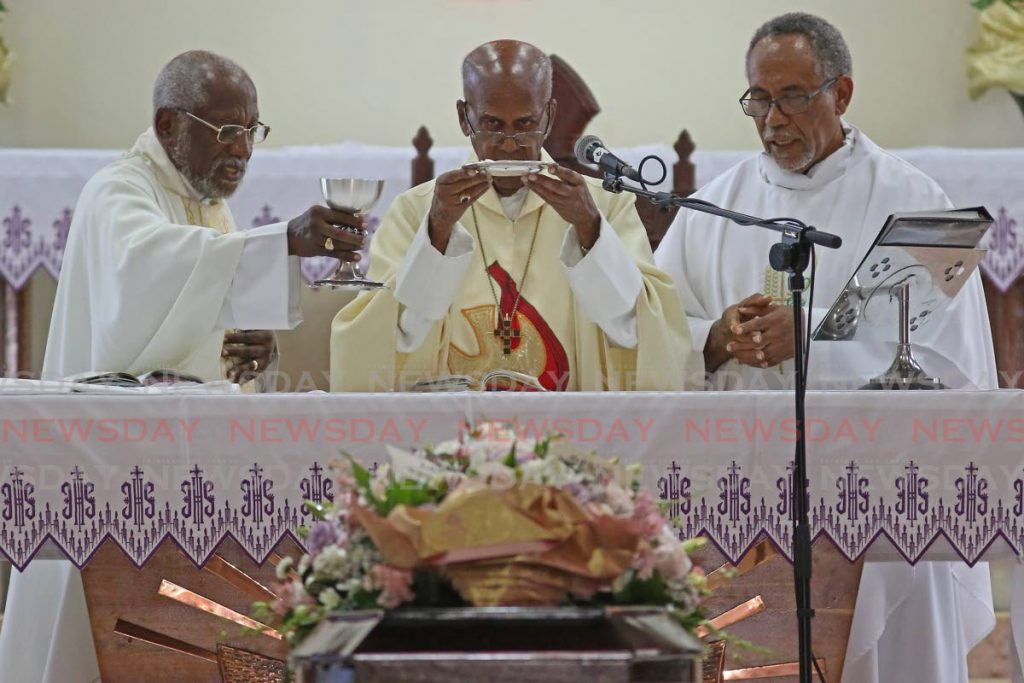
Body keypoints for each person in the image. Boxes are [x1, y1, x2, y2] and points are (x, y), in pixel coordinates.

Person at [1, 50, 367, 683]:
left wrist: (257, 353)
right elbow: (146, 279)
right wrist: (282, 239)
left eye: (251, 131)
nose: (243, 150)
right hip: (110, 460)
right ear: (169, 125)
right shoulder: (119, 190)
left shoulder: (205, 204)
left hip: (181, 455)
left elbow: (206, 317)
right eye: (226, 130)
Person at [655, 13, 997, 683]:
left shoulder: (918, 204)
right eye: (759, 98)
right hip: (741, 498)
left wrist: (809, 344)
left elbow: (946, 370)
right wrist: (717, 338)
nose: (772, 118)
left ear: (841, 95)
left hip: (881, 499)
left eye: (793, 96)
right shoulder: (715, 208)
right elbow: (655, 335)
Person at [330, 40, 698, 392]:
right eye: (492, 124)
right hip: (453, 435)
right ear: (464, 117)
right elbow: (389, 338)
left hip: (570, 428)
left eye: (524, 125)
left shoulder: (603, 206)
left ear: (549, 115)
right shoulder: (417, 210)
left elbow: (639, 332)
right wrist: (437, 233)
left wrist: (589, 229)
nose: (509, 144)